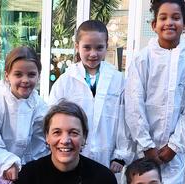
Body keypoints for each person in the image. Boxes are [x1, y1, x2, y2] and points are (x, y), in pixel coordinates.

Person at [124, 0, 185, 184]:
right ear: (153, 24)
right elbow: (134, 104)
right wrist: (146, 145)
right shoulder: (142, 59)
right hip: (142, 150)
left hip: (173, 154)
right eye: (163, 18)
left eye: (175, 17)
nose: (169, 23)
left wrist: (174, 146)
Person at [48, 20, 131, 172]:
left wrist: (120, 154)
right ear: (77, 46)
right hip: (73, 153)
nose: (93, 54)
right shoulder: (66, 80)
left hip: (106, 155)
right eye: (87, 47)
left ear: (107, 47)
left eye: (99, 48)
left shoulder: (117, 79)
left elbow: (124, 119)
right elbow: (52, 118)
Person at [0, 46, 48, 181]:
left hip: (28, 173)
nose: (25, 80)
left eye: (31, 74)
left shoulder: (40, 107)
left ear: (39, 76)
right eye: (18, 74)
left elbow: (41, 143)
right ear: (7, 75)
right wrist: (7, 161)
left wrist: (34, 166)